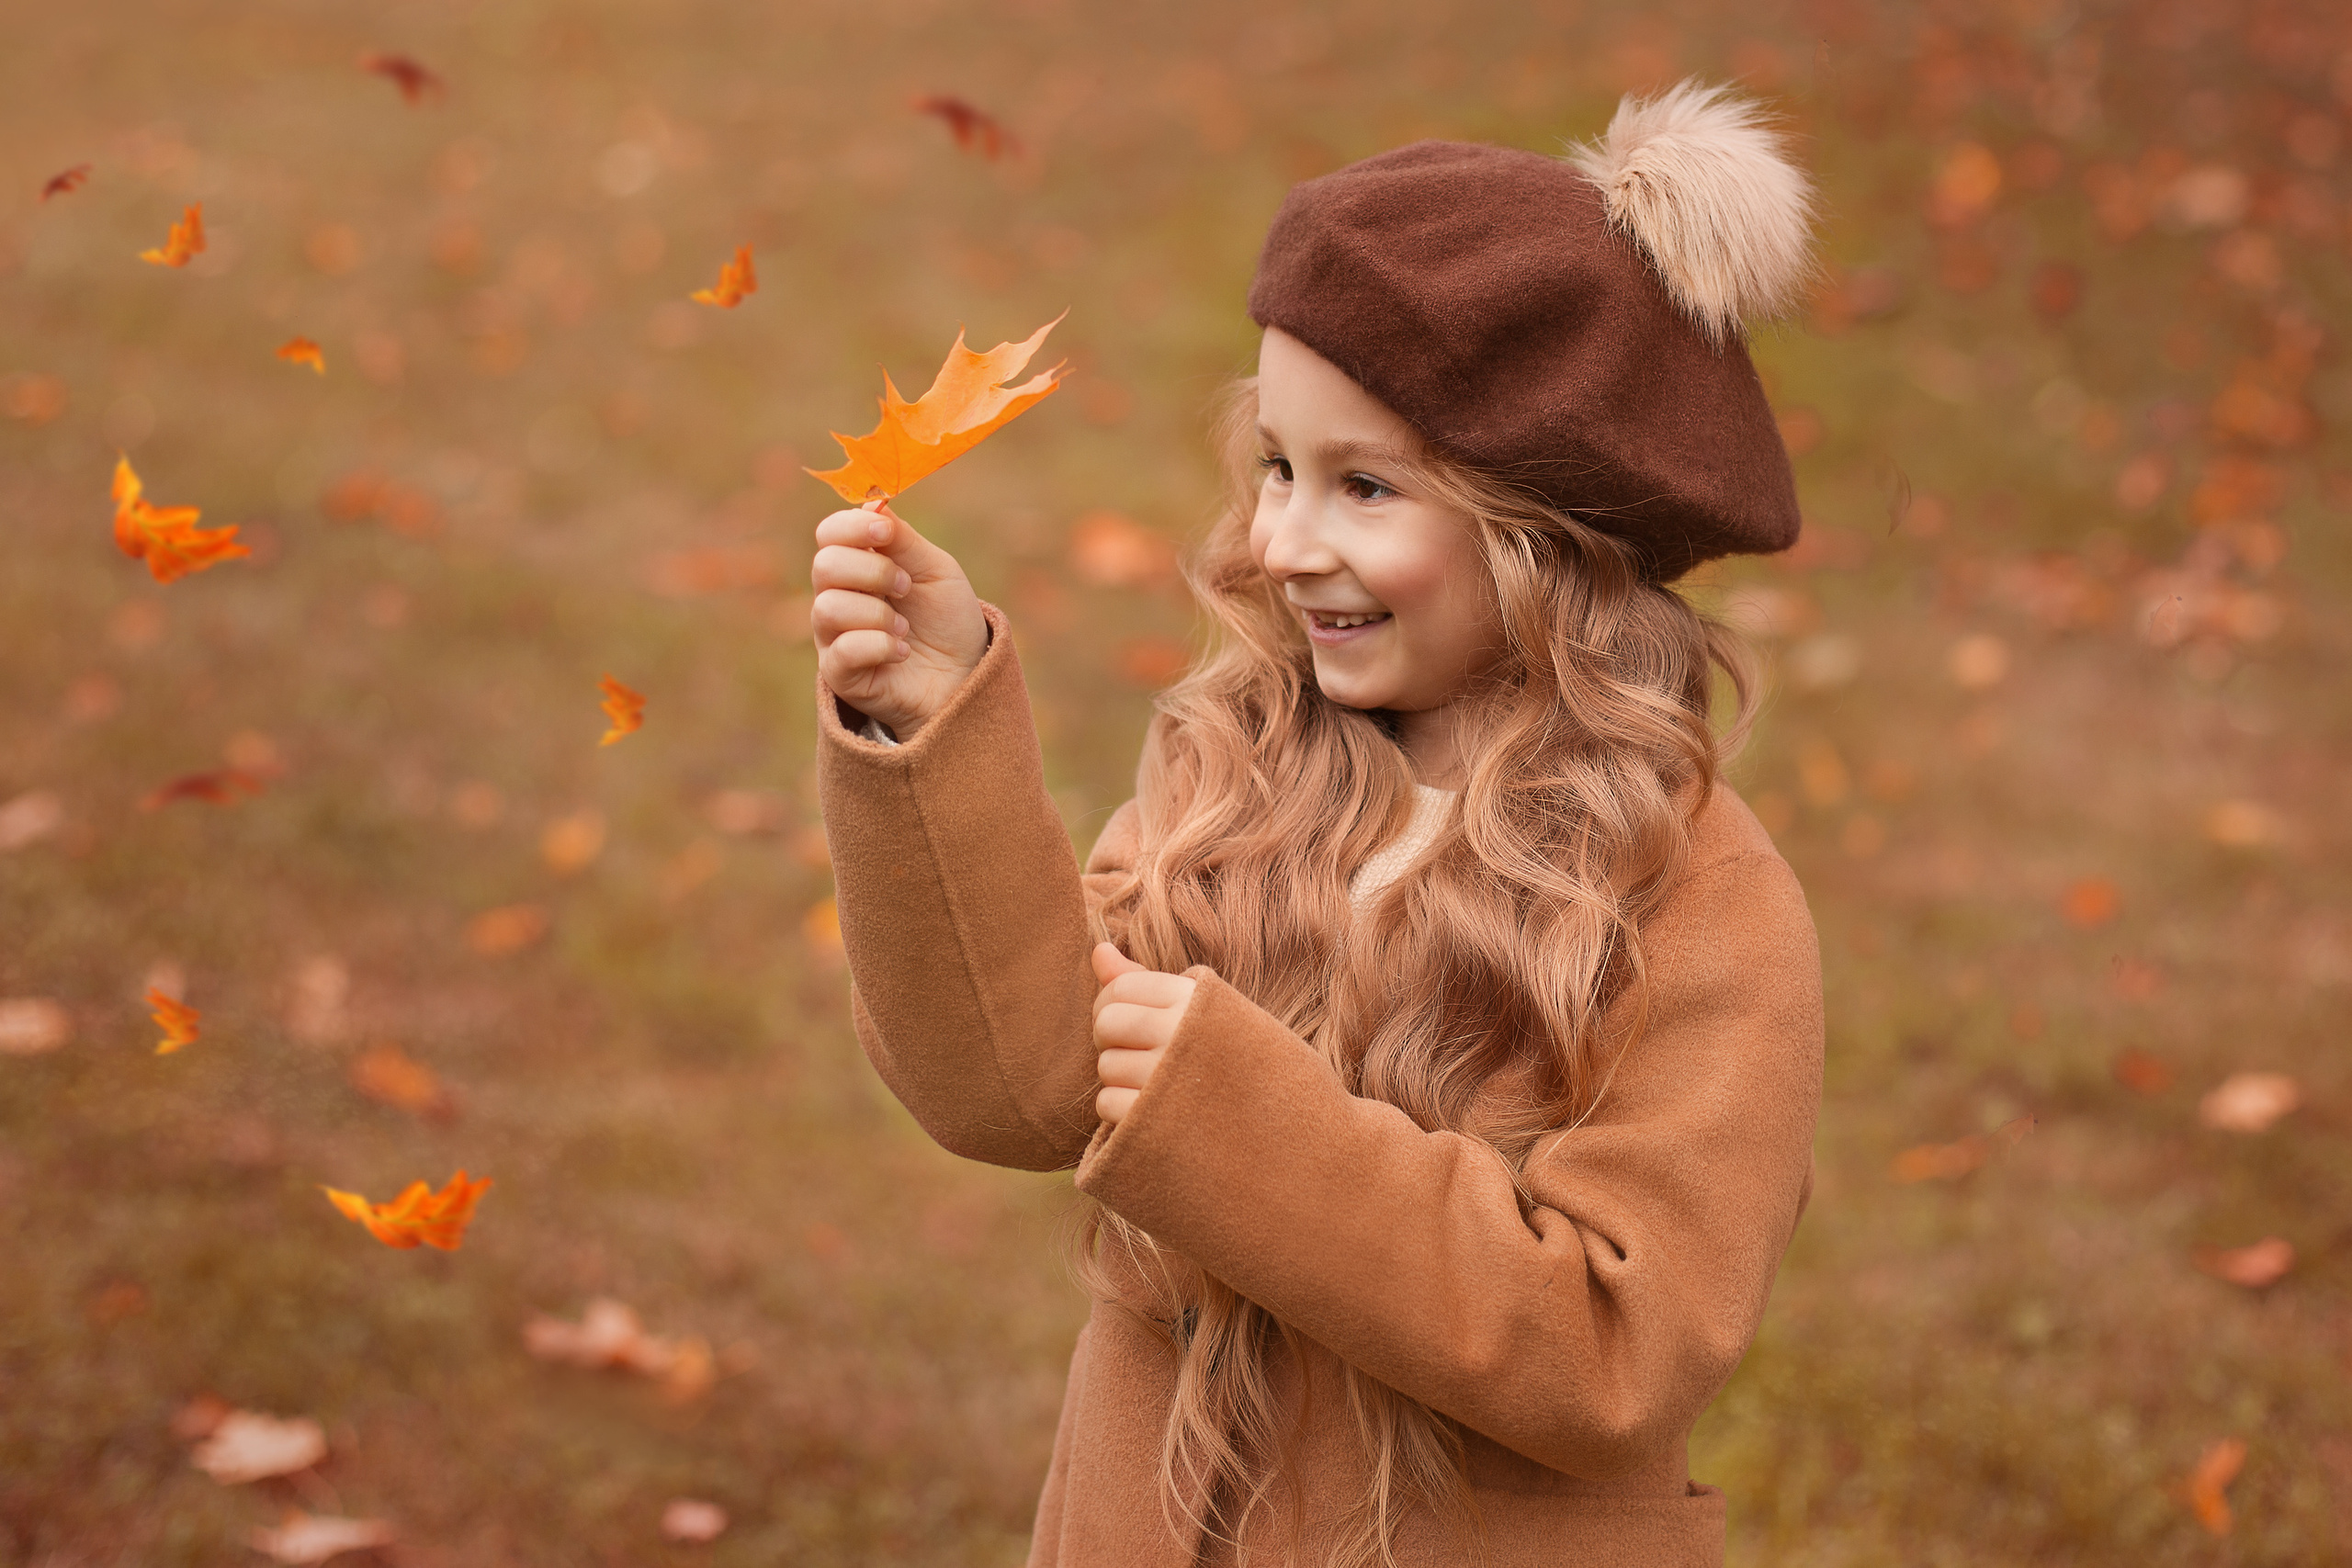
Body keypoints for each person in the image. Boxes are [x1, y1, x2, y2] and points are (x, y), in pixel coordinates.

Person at [808, 80, 1826, 1568]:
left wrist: (1240, 1120)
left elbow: (1619, 1348)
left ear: (1549, 536)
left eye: (1364, 485)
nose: (1282, 541)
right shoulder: (1243, 774)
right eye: (1278, 466)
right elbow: (1010, 1087)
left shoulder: (1700, 905)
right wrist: (932, 725)